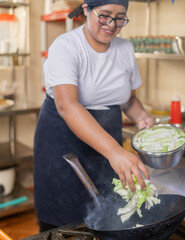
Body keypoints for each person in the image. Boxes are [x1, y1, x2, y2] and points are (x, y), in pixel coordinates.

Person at [34, 0, 155, 232]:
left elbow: (128, 100)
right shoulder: (66, 46)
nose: (112, 24)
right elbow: (67, 106)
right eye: (105, 15)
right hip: (64, 144)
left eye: (121, 17)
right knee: (63, 225)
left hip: (107, 146)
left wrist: (143, 118)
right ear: (87, 9)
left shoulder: (125, 49)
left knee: (108, 216)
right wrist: (115, 152)